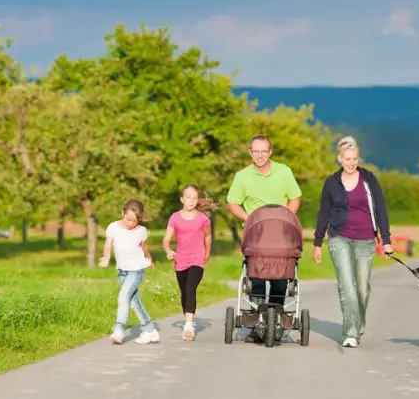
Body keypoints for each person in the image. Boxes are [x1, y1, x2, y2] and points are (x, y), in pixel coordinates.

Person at [312, 135, 393, 348]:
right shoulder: (331, 183)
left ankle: (358, 321)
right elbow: (323, 213)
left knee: (363, 288)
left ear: (358, 158)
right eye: (347, 158)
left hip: (366, 239)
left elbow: (381, 209)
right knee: (347, 285)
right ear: (339, 158)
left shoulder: (369, 179)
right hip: (339, 238)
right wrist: (317, 242)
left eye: (355, 158)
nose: (351, 162)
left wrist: (385, 239)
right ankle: (350, 333)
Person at [226, 134, 302, 341]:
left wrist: (287, 216)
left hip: (281, 234)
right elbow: (232, 202)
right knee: (256, 277)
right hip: (257, 236)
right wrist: (249, 217)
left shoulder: (284, 172)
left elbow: (295, 198)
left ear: (270, 152)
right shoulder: (242, 176)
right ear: (250, 153)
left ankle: (275, 321)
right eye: (256, 151)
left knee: (280, 277)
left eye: (263, 151)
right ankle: (258, 322)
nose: (260, 155)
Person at [99, 199, 160, 345]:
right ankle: (150, 329)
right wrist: (106, 258)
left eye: (135, 221)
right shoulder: (113, 227)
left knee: (123, 296)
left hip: (136, 270)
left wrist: (149, 259)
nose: (131, 223)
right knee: (133, 301)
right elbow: (108, 245)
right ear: (122, 213)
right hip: (122, 271)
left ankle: (118, 329)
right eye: (129, 219)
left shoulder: (141, 231)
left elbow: (144, 247)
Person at [162, 184, 218, 341]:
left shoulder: (203, 219)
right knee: (184, 292)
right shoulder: (175, 217)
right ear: (182, 199)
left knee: (190, 287)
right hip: (180, 260)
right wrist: (168, 250)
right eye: (188, 198)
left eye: (194, 198)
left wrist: (207, 253)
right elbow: (166, 239)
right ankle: (188, 317)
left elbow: (207, 236)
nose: (191, 201)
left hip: (197, 260)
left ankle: (188, 325)